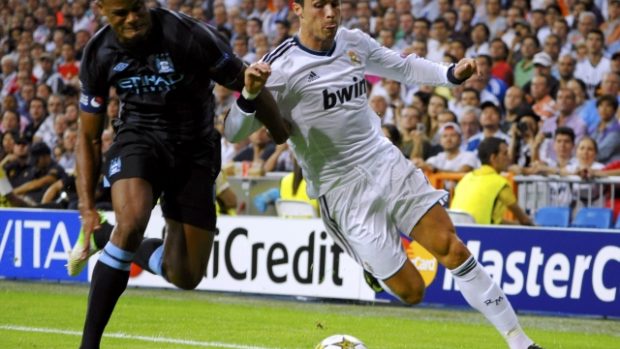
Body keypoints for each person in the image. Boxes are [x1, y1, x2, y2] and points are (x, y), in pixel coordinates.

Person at [224, 1, 542, 348]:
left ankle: (520, 341)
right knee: (413, 291)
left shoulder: (353, 42)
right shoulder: (280, 66)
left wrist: (450, 75)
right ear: (297, 8)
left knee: (453, 249)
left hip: (383, 162)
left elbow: (403, 67)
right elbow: (234, 132)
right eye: (319, 5)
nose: (330, 12)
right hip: (340, 188)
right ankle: (373, 268)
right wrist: (251, 92)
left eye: (336, 4)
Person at [69, 1, 289, 348]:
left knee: (186, 275)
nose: (131, 19)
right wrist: (86, 207)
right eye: (120, 13)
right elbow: (88, 135)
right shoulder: (99, 51)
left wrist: (282, 135)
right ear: (101, 10)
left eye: (136, 8)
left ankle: (106, 236)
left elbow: (247, 83)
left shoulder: (188, 35)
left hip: (195, 149)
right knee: (133, 221)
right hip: (139, 138)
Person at [451, 137, 534, 226]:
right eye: (505, 154)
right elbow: (524, 220)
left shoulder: (466, 178)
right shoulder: (500, 183)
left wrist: (515, 224)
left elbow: (491, 221)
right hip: (482, 235)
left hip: (458, 232)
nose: (509, 158)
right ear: (493, 158)